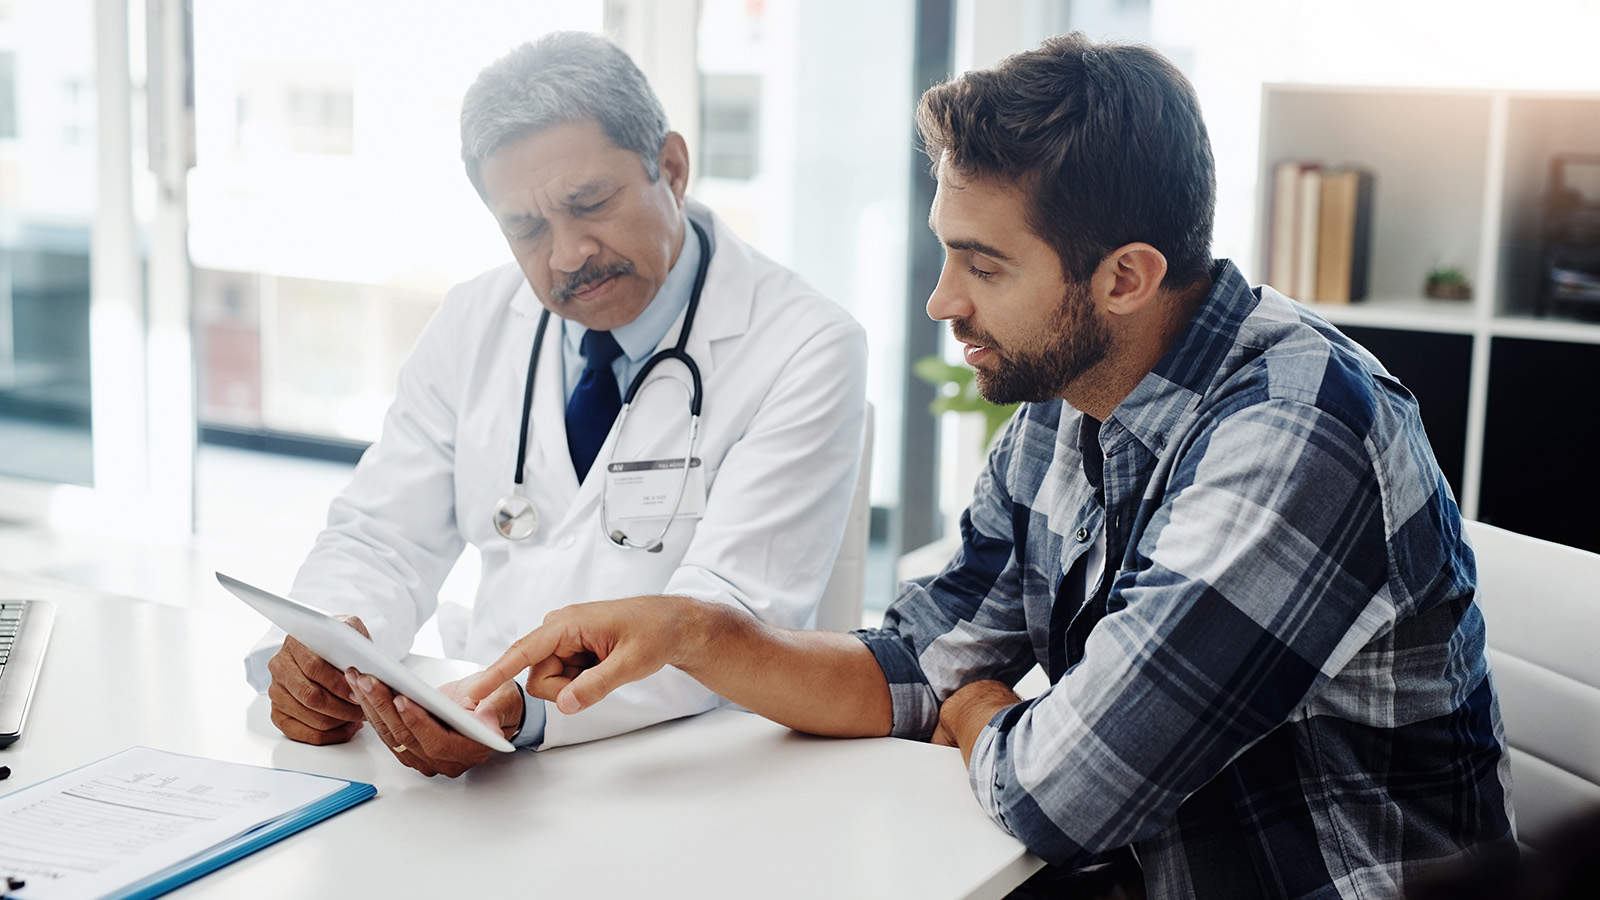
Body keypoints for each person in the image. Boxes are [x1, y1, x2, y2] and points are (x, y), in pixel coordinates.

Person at [466, 32, 1515, 898]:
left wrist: (978, 714)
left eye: (984, 264)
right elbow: (916, 665)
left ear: (1124, 278)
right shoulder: (1073, 397)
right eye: (946, 250)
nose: (942, 301)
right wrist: (689, 631)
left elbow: (1065, 793)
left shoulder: (1297, 433)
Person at [244, 31, 868, 777]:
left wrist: (529, 711)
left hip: (691, 770)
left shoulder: (806, 344)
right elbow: (382, 539)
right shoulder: (474, 320)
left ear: (671, 169)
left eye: (590, 203)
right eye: (526, 227)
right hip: (481, 755)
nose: (568, 254)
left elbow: (728, 623)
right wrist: (326, 656)